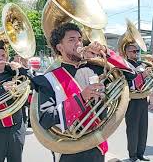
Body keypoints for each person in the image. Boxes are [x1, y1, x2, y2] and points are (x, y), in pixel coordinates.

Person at [32, 23, 135, 162]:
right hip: (68, 152)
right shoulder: (48, 79)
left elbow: (131, 73)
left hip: (97, 146)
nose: (78, 43)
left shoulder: (97, 68)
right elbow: (46, 119)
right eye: (71, 39)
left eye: (79, 39)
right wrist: (81, 98)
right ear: (59, 47)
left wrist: (105, 51)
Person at [123, 43, 151, 162]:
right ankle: (133, 155)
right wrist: (142, 76)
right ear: (126, 53)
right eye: (132, 51)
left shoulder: (141, 65)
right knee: (133, 129)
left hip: (143, 99)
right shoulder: (124, 66)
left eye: (137, 51)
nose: (136, 53)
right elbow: (127, 85)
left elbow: (147, 81)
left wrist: (150, 75)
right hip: (131, 101)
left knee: (143, 128)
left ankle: (141, 153)